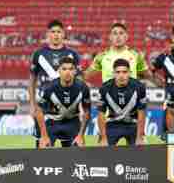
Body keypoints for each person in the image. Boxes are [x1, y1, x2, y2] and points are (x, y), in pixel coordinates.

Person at [29, 19, 81, 148]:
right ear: (48, 34)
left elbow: (79, 82)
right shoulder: (38, 55)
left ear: (63, 34)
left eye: (59, 32)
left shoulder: (73, 54)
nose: (56, 35)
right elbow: (32, 82)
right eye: (53, 32)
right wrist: (32, 105)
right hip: (45, 108)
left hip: (68, 108)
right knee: (43, 148)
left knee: (72, 153)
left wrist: (79, 106)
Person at [36, 57, 90, 148]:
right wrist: (44, 136)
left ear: (75, 71)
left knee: (78, 154)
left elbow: (87, 112)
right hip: (52, 123)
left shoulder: (83, 88)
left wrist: (81, 135)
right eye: (64, 69)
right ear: (59, 71)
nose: (67, 72)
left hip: (72, 122)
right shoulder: (49, 88)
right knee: (43, 151)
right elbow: (39, 111)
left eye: (70, 69)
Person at [97, 59, 147, 146]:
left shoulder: (139, 87)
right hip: (113, 124)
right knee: (103, 150)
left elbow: (141, 113)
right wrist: (103, 137)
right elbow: (101, 114)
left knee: (141, 150)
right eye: (118, 72)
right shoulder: (105, 88)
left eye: (124, 72)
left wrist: (139, 137)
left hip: (133, 124)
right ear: (113, 73)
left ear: (130, 73)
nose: (121, 75)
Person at [84, 22, 153, 83]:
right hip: (109, 96)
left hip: (130, 96)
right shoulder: (101, 56)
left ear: (126, 37)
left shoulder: (136, 55)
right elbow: (86, 76)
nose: (118, 37)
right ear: (110, 37)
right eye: (115, 33)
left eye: (121, 33)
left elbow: (149, 75)